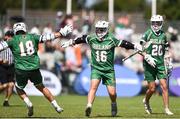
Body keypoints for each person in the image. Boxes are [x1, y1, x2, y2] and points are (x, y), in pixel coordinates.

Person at [61, 20, 142, 117]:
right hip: (96, 68)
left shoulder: (111, 38)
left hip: (108, 70)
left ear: (106, 30)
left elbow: (123, 43)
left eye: (101, 30)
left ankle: (113, 103)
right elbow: (82, 38)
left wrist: (135, 46)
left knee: (112, 93)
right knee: (93, 87)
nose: (99, 31)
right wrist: (71, 42)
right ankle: (89, 105)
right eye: (98, 29)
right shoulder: (92, 37)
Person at [0, 22, 72, 117]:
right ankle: (56, 106)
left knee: (18, 88)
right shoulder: (33, 36)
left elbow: (1, 46)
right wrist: (61, 33)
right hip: (34, 68)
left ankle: (28, 103)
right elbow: (48, 37)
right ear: (24, 29)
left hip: (21, 69)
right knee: (41, 87)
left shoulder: (12, 40)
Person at [140, 15, 174, 115]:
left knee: (164, 86)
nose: (155, 25)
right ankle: (146, 100)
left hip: (160, 64)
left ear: (161, 23)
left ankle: (167, 109)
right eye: (154, 22)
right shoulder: (148, 33)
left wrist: (169, 61)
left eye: (157, 22)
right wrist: (146, 56)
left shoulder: (164, 35)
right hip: (149, 64)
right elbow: (141, 48)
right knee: (152, 89)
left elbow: (167, 50)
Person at [0, 30, 15, 106]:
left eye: (12, 36)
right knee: (5, 85)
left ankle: (6, 100)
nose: (11, 37)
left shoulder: (14, 44)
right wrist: (1, 60)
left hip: (11, 66)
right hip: (2, 67)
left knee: (11, 85)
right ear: (6, 36)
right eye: (9, 36)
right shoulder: (1, 44)